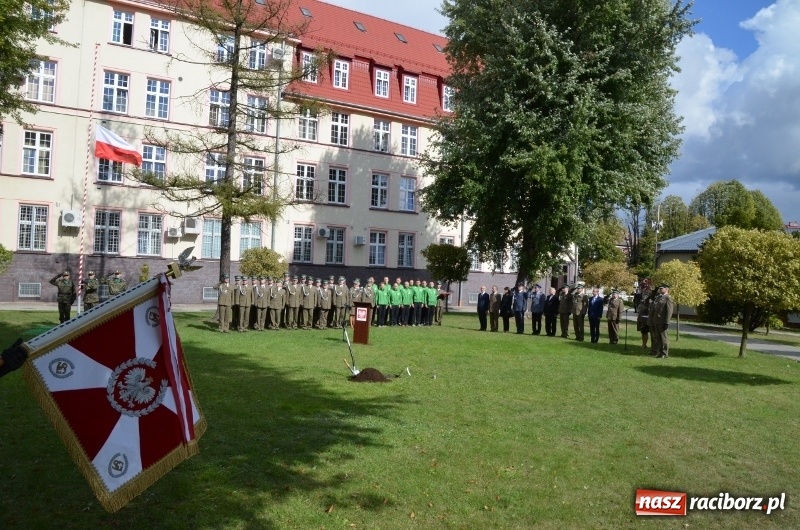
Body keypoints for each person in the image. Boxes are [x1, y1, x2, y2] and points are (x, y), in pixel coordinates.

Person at [651, 283, 675, 358]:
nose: (660, 290)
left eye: (661, 288)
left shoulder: (668, 298)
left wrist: (667, 322)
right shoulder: (659, 297)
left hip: (662, 321)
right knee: (658, 337)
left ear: (666, 289)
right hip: (656, 320)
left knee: (663, 338)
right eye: (659, 288)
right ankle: (659, 352)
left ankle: (664, 353)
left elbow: (669, 311)